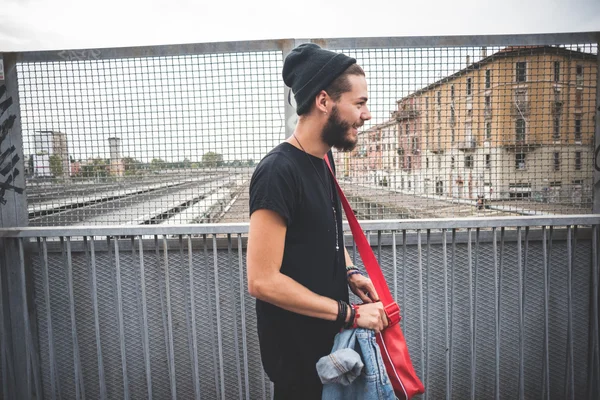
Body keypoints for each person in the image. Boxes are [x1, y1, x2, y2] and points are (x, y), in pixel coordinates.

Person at [246, 43, 389, 400]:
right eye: (359, 103)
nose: (367, 114)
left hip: (330, 352)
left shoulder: (324, 161)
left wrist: (350, 272)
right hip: (299, 363)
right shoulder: (277, 172)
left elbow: (321, 240)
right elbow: (262, 281)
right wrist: (351, 315)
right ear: (324, 101)